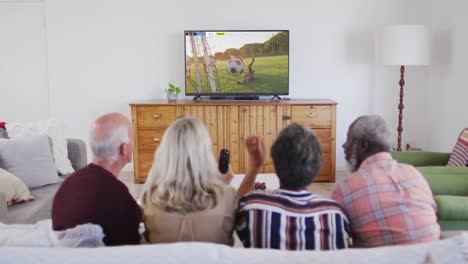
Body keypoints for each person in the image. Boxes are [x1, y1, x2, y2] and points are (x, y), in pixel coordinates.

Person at [140, 117, 264, 245]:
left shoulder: (149, 197)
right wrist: (254, 166)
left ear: (165, 152)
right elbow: (238, 205)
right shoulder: (227, 196)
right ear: (205, 152)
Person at [236, 123, 352, 250]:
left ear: (275, 162)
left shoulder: (252, 208)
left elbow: (231, 212)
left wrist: (255, 165)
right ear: (317, 166)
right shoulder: (335, 215)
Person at [331, 115, 440, 247]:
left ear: (363, 145)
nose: (344, 146)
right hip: (432, 257)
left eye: (348, 140)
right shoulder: (414, 174)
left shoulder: (346, 189)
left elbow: (334, 237)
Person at [52, 113, 142, 246]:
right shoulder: (118, 196)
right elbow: (131, 250)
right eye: (132, 138)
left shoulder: (69, 183)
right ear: (124, 148)